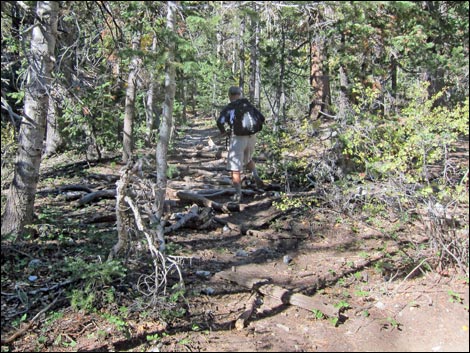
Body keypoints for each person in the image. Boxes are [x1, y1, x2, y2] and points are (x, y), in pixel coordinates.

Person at [216, 86, 264, 202]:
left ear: (230, 95)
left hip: (238, 138)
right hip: (252, 137)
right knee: (248, 159)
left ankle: (238, 194)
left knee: (235, 167)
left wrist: (223, 132)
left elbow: (220, 121)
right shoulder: (248, 105)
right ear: (240, 94)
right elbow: (261, 118)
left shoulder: (230, 107)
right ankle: (256, 176)